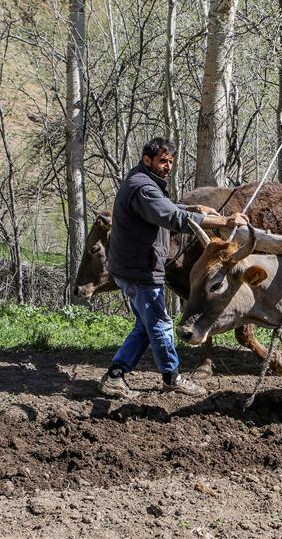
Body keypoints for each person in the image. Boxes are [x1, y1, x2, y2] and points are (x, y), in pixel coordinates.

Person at [98, 137, 247, 399]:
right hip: (139, 270)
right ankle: (172, 377)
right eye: (162, 161)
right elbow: (172, 218)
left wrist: (193, 207)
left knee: (145, 326)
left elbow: (166, 209)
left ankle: (115, 375)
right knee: (160, 324)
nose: (167, 166)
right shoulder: (143, 188)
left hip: (133, 267)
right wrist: (223, 220)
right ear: (147, 160)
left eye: (170, 162)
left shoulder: (143, 181)